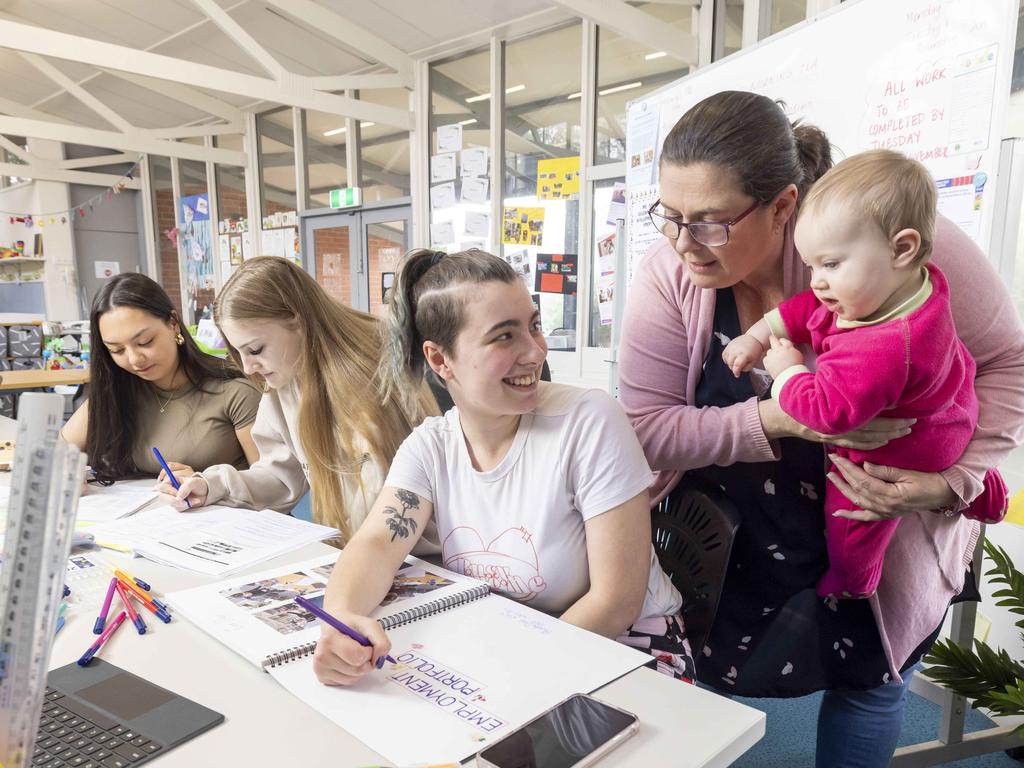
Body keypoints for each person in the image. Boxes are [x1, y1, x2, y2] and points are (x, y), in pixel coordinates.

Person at [618, 90, 1024, 766]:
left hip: (882, 520)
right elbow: (649, 430)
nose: (684, 243)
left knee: (870, 681)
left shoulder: (901, 246)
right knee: (701, 680)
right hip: (730, 530)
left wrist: (953, 479)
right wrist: (788, 417)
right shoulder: (669, 277)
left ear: (783, 204)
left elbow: (1008, 363)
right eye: (670, 216)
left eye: (712, 222)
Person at [310, 249, 693, 687]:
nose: (534, 352)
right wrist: (340, 619)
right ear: (440, 360)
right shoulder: (431, 445)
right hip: (507, 636)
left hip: (624, 646)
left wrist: (507, 674)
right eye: (504, 337)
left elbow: (616, 602)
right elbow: (377, 544)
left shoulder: (589, 420)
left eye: (533, 326)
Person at [722, 149, 1007, 600]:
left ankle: (854, 583)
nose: (816, 281)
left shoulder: (884, 348)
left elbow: (826, 413)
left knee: (852, 520)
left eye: (830, 264)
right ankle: (985, 490)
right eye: (812, 264)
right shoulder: (907, 283)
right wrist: (760, 333)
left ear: (902, 248)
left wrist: (786, 372)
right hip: (953, 411)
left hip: (906, 452)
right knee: (957, 451)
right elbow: (809, 310)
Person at [158, 256, 438, 546]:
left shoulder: (372, 376)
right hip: (359, 554)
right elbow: (280, 477)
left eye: (255, 349)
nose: (247, 367)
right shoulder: (284, 377)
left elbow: (384, 504)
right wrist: (211, 486)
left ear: (298, 321)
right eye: (238, 352)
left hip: (414, 558)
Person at [60, 272, 260, 482]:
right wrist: (65, 469)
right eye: (117, 350)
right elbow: (58, 449)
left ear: (173, 324)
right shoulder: (118, 390)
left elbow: (272, 487)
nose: (135, 359)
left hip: (225, 512)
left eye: (145, 342)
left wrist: (209, 484)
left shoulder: (236, 389)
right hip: (147, 511)